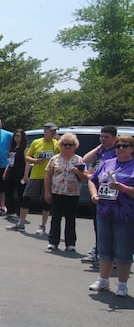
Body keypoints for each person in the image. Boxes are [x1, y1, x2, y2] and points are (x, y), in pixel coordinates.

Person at [87, 135, 134, 297]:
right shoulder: (107, 164)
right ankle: (103, 280)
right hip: (104, 211)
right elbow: (92, 179)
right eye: (118, 146)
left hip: (125, 215)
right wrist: (93, 194)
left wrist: (123, 188)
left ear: (132, 148)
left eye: (125, 146)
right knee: (104, 248)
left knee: (123, 250)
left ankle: (122, 284)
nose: (121, 149)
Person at [13, 123, 60, 233]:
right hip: (36, 175)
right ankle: (21, 222)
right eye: (51, 131)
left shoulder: (57, 144)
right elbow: (28, 157)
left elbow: (61, 156)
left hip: (49, 176)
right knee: (26, 198)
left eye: (55, 131)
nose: (53, 133)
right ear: (45, 131)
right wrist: (35, 161)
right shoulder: (36, 142)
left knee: (46, 200)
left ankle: (42, 225)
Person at [81, 125, 118, 264]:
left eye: (106, 137)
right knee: (99, 224)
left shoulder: (117, 151)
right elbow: (86, 159)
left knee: (112, 225)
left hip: (112, 192)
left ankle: (111, 255)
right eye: (101, 136)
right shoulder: (101, 151)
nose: (103, 139)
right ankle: (98, 251)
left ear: (115, 138)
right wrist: (99, 146)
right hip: (97, 190)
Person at [44, 133, 87, 252]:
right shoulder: (55, 159)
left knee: (70, 219)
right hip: (57, 192)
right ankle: (53, 241)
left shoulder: (79, 160)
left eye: (70, 145)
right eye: (65, 144)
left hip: (72, 194)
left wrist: (77, 172)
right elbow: (48, 175)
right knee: (56, 218)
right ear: (60, 145)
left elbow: (85, 177)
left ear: (75, 146)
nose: (67, 147)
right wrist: (47, 192)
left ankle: (70, 243)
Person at [3, 129, 29, 227]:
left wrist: (26, 175)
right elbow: (10, 161)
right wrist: (6, 171)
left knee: (20, 193)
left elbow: (27, 162)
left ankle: (20, 213)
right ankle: (10, 211)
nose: (17, 138)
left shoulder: (25, 149)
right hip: (11, 172)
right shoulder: (13, 148)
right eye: (15, 136)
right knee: (8, 191)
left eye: (18, 136)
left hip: (20, 173)